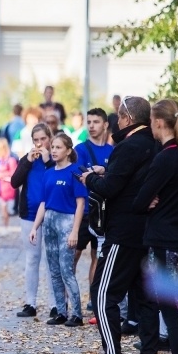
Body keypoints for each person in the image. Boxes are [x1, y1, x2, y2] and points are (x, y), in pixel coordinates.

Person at [80, 95, 158, 354]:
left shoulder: (128, 146)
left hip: (123, 233)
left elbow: (110, 188)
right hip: (146, 233)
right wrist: (106, 171)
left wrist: (90, 179)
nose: (116, 120)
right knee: (145, 298)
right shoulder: (154, 144)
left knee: (103, 294)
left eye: (118, 116)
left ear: (126, 117)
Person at [130, 99, 178, 354]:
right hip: (176, 239)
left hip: (164, 241)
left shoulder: (166, 157)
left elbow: (139, 200)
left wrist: (149, 201)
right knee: (174, 313)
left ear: (158, 122)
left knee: (173, 314)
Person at [29, 133, 87, 327]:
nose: (53, 150)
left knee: (66, 270)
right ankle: (61, 311)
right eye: (52, 147)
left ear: (68, 150)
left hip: (67, 222)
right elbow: (43, 203)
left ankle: (77, 314)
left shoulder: (75, 172)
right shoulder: (48, 173)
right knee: (53, 270)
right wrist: (35, 227)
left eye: (58, 147)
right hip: (50, 223)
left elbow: (80, 204)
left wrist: (75, 231)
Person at [11, 124, 56, 318]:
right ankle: (31, 302)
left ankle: (56, 304)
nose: (39, 143)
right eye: (36, 140)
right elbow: (14, 182)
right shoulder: (26, 160)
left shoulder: (55, 159)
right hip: (29, 215)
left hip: (52, 214)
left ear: (49, 138)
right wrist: (27, 162)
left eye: (43, 139)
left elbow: (57, 179)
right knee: (32, 259)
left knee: (52, 260)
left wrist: (47, 161)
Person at [73, 108, 113, 293]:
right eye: (89, 122)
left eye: (96, 122)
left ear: (105, 125)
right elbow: (77, 177)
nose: (91, 126)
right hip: (83, 212)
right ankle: (67, 300)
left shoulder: (113, 151)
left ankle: (94, 299)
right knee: (74, 255)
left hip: (103, 213)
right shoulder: (80, 149)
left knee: (98, 257)